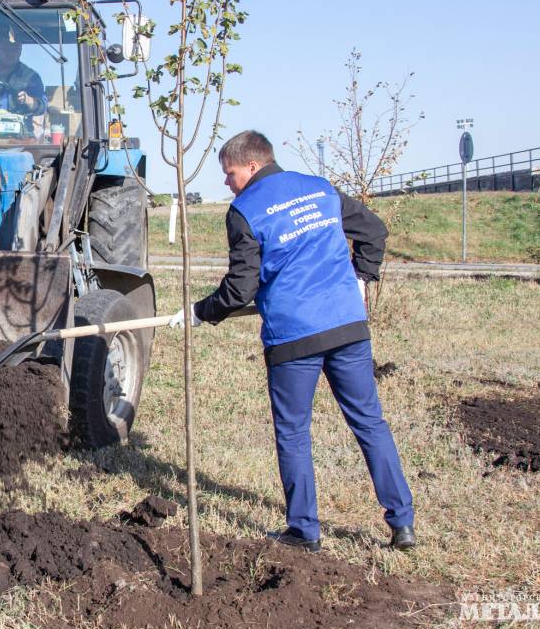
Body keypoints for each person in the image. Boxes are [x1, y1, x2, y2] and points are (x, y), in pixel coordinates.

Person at [169, 130, 415, 553]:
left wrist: (198, 312)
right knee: (370, 423)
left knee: (294, 433)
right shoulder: (321, 189)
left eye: (229, 174)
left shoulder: (244, 211)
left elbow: (240, 288)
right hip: (347, 327)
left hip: (293, 337)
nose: (227, 183)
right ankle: (403, 524)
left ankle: (304, 529)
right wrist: (361, 278)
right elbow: (373, 229)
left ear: (251, 165)